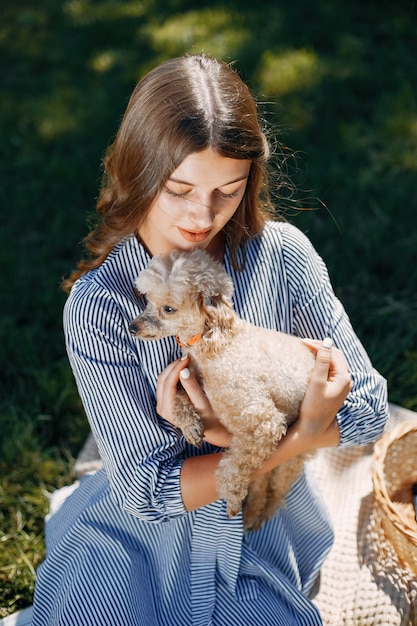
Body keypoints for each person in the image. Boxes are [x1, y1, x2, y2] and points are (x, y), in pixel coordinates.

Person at [32, 54, 388, 625]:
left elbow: (369, 409)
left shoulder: (284, 258)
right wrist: (303, 435)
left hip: (257, 529)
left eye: (228, 190)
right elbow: (146, 496)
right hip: (139, 544)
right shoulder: (100, 305)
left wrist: (257, 420)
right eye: (178, 189)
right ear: (139, 172)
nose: (203, 215)